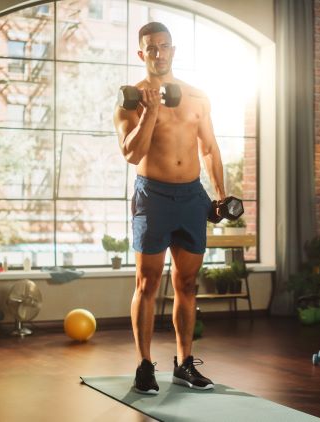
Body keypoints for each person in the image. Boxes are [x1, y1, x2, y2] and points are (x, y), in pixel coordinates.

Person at [113, 22, 227, 395]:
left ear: (173, 50)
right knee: (147, 283)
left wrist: (221, 194)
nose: (158, 52)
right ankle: (145, 367)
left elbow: (209, 148)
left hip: (192, 197)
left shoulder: (197, 97)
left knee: (188, 284)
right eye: (151, 47)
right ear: (141, 53)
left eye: (164, 46)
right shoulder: (130, 99)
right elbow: (132, 154)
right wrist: (150, 112)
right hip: (154, 196)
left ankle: (184, 364)